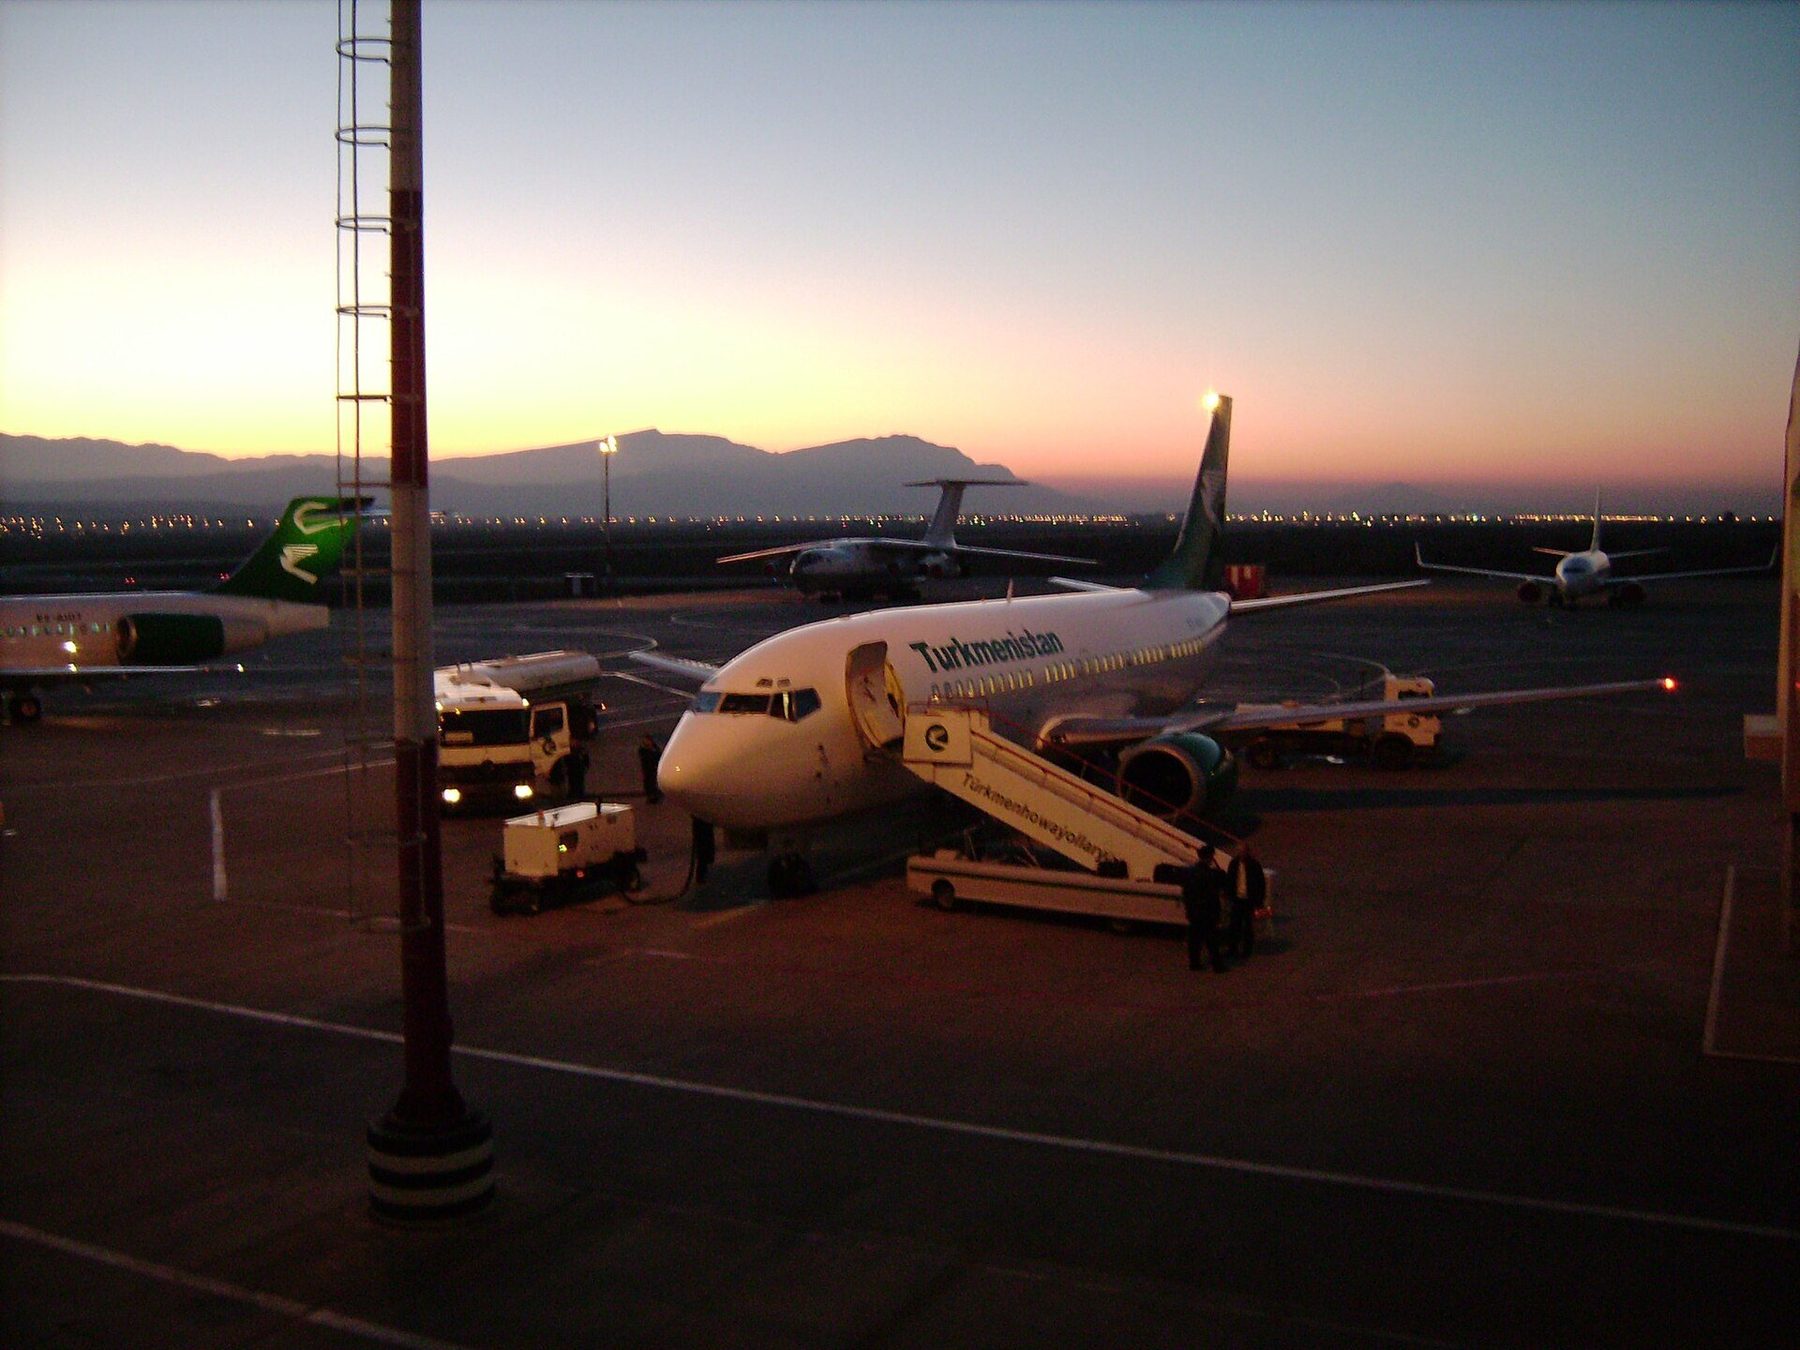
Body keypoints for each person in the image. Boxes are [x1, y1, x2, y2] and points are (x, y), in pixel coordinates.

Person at [1180, 848, 1225, 972]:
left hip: (1194, 910)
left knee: (1194, 939)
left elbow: (1186, 892)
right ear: (1209, 857)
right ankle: (1217, 965)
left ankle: (1194, 963)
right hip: (1208, 911)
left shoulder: (1191, 872)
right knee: (1212, 939)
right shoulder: (1211, 874)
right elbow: (1219, 885)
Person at [1226, 848, 1266, 958]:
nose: (1241, 855)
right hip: (1237, 899)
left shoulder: (1254, 865)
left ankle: (1246, 950)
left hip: (1249, 900)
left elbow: (1260, 883)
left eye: (1243, 852)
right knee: (1234, 925)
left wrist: (1259, 901)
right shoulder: (1234, 864)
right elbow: (1230, 880)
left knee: (1248, 926)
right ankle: (1233, 948)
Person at [638, 733, 664, 804]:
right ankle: (651, 796)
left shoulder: (654, 748)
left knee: (653, 782)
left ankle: (655, 796)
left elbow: (659, 756)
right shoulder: (643, 749)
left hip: (653, 768)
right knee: (648, 782)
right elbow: (644, 758)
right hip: (648, 769)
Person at [691, 816, 716, 883]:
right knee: (704, 859)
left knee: (704, 859)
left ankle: (703, 879)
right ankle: (702, 879)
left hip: (704, 838)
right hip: (704, 839)